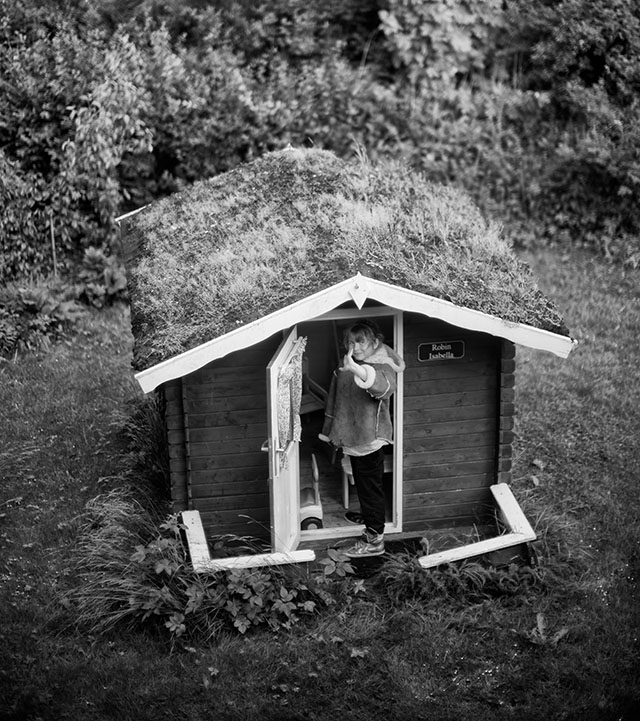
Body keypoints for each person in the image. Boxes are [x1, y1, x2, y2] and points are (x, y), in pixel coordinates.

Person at [319, 320, 405, 557]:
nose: (355, 347)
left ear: (375, 342)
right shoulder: (350, 363)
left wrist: (356, 370)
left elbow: (383, 386)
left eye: (361, 341)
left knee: (370, 489)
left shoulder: (383, 364)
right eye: (350, 342)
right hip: (354, 438)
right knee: (363, 484)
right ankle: (369, 519)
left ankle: (375, 539)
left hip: (369, 440)